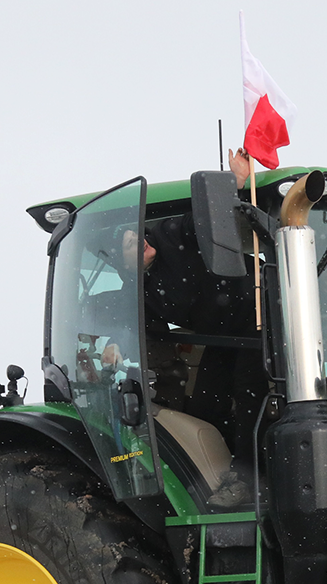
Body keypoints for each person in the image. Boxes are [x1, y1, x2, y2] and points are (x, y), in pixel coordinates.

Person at [112, 148, 263, 506]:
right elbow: (136, 330)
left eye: (137, 234)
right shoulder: (141, 295)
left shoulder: (170, 235)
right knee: (205, 403)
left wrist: (235, 182)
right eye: (130, 244)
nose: (141, 240)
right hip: (222, 336)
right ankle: (219, 472)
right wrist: (115, 346)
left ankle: (249, 479)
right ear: (121, 264)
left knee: (248, 393)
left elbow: (205, 219)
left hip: (258, 318)